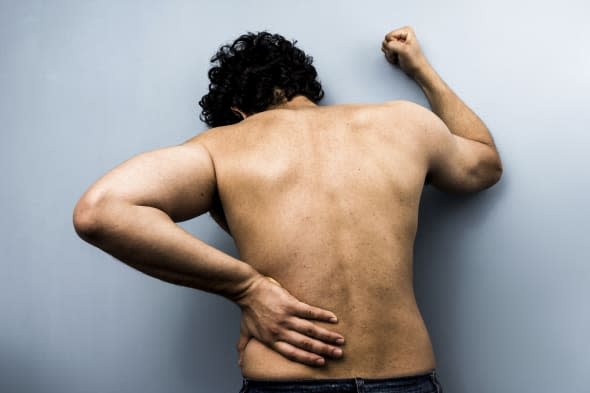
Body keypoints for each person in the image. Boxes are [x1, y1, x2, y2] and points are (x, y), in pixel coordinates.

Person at [73, 26, 502, 393]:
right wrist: (420, 70)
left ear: (237, 112)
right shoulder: (407, 123)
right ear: (306, 88)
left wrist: (247, 288)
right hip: (405, 377)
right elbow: (484, 163)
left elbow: (100, 211)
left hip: (285, 378)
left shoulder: (224, 145)